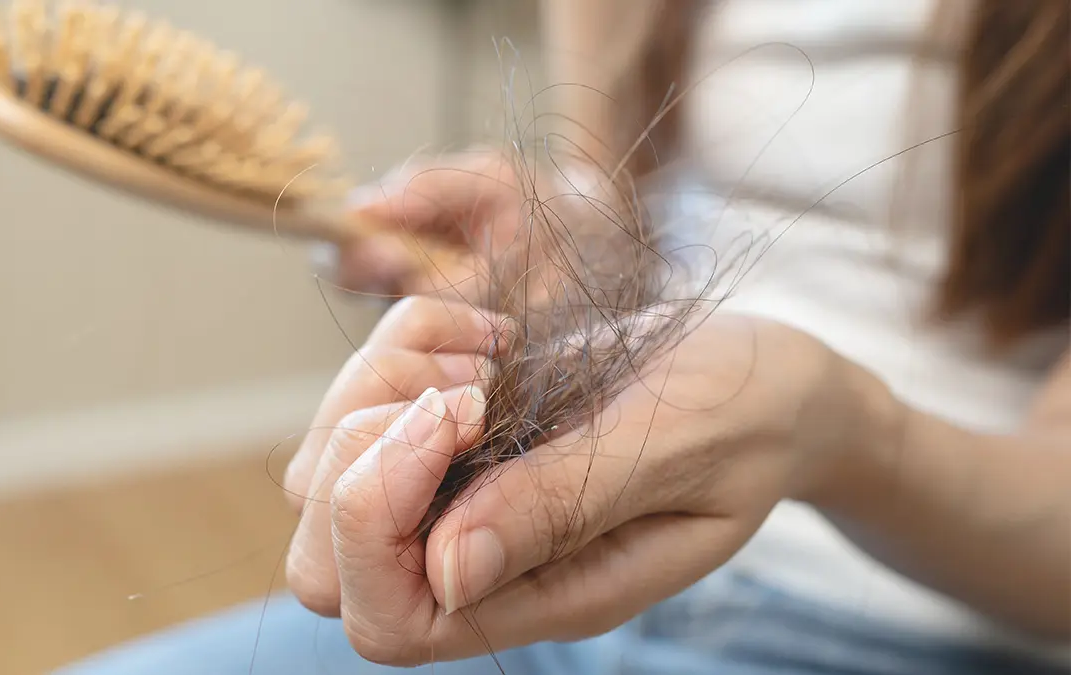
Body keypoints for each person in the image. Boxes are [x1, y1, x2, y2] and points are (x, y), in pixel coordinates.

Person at [57, 1, 1070, 673]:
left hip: (922, 626)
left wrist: (842, 429)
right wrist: (566, 236)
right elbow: (623, 199)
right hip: (564, 582)